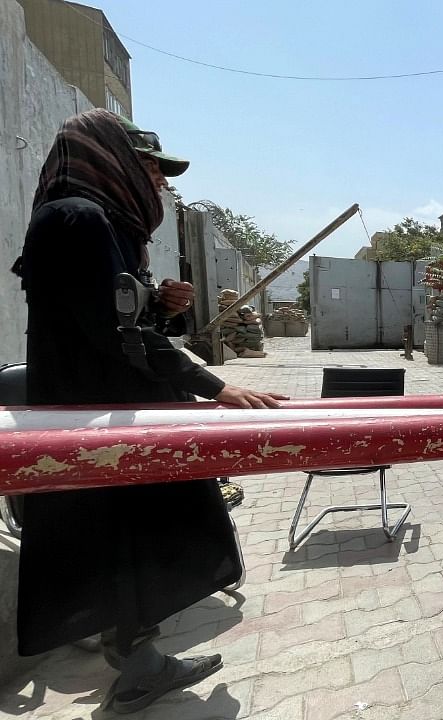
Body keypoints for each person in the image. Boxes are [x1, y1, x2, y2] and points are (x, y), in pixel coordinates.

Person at [11, 109, 288, 714]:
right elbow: (116, 338)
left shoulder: (100, 226)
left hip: (109, 411)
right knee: (139, 535)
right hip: (100, 419)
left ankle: (137, 664)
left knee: (131, 541)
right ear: (109, 158)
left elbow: (116, 323)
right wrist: (215, 388)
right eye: (151, 167)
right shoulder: (75, 221)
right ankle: (136, 666)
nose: (161, 183)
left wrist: (161, 305)